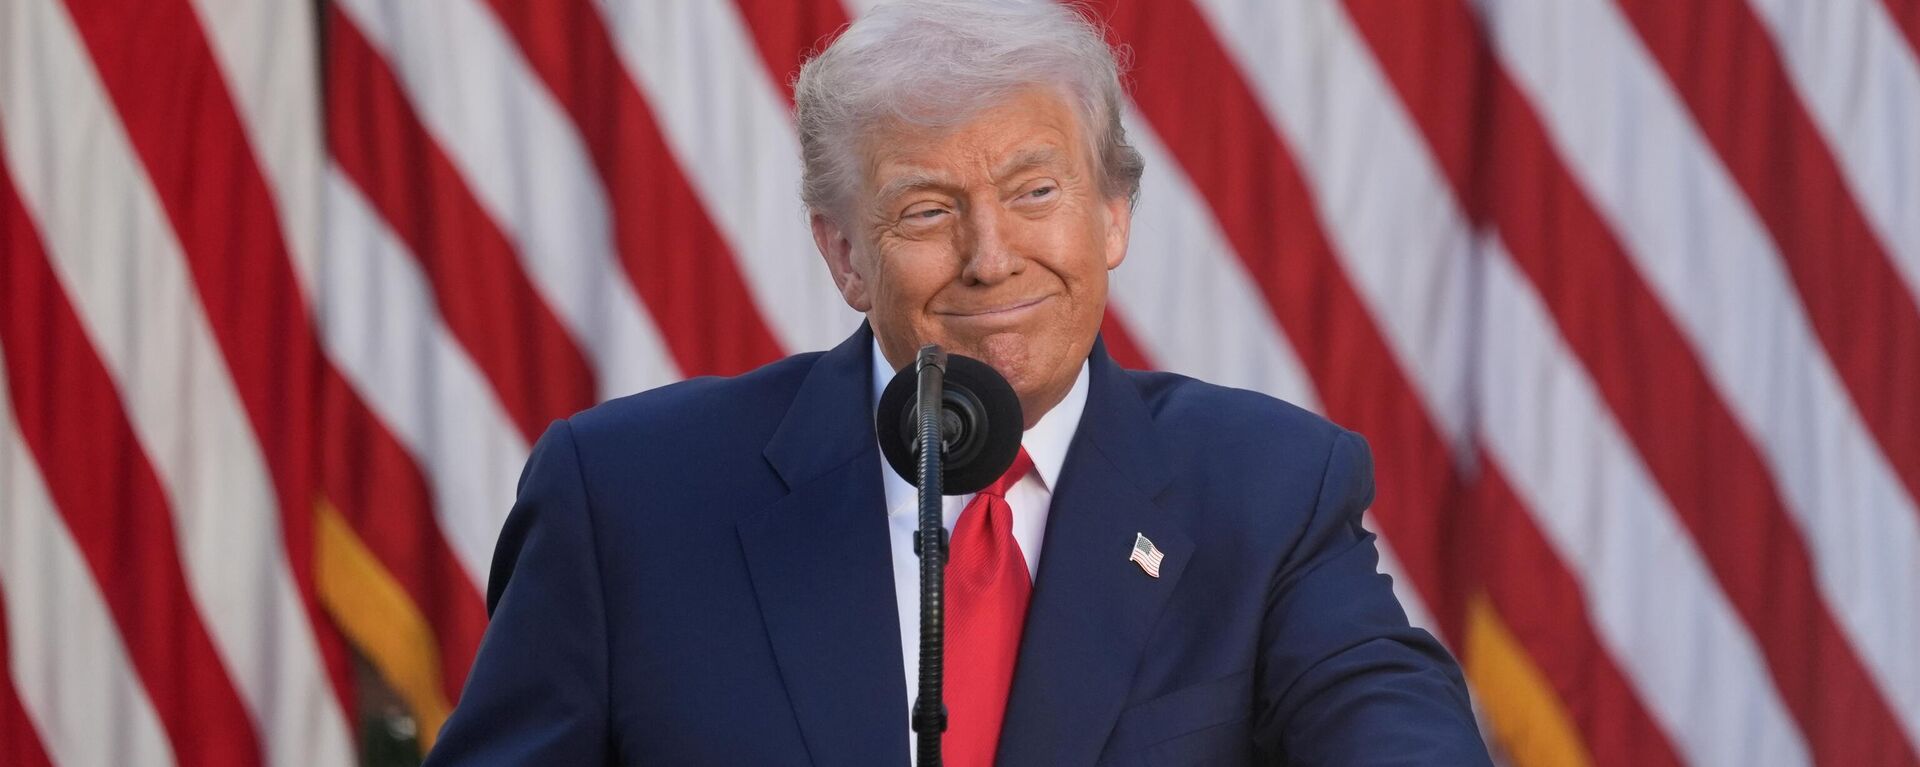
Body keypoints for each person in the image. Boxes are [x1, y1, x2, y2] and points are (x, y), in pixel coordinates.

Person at [424, 1, 1491, 764]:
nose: (991, 257)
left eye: (1035, 192)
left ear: (1112, 216)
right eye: (927, 210)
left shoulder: (1269, 489)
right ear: (846, 255)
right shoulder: (626, 497)